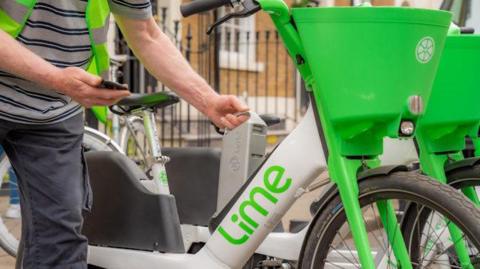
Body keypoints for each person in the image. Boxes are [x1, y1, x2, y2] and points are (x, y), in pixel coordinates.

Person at [0, 1, 249, 268]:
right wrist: (55, 78)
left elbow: (146, 33)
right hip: (39, 89)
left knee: (60, 238)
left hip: (55, 112)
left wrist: (208, 100)